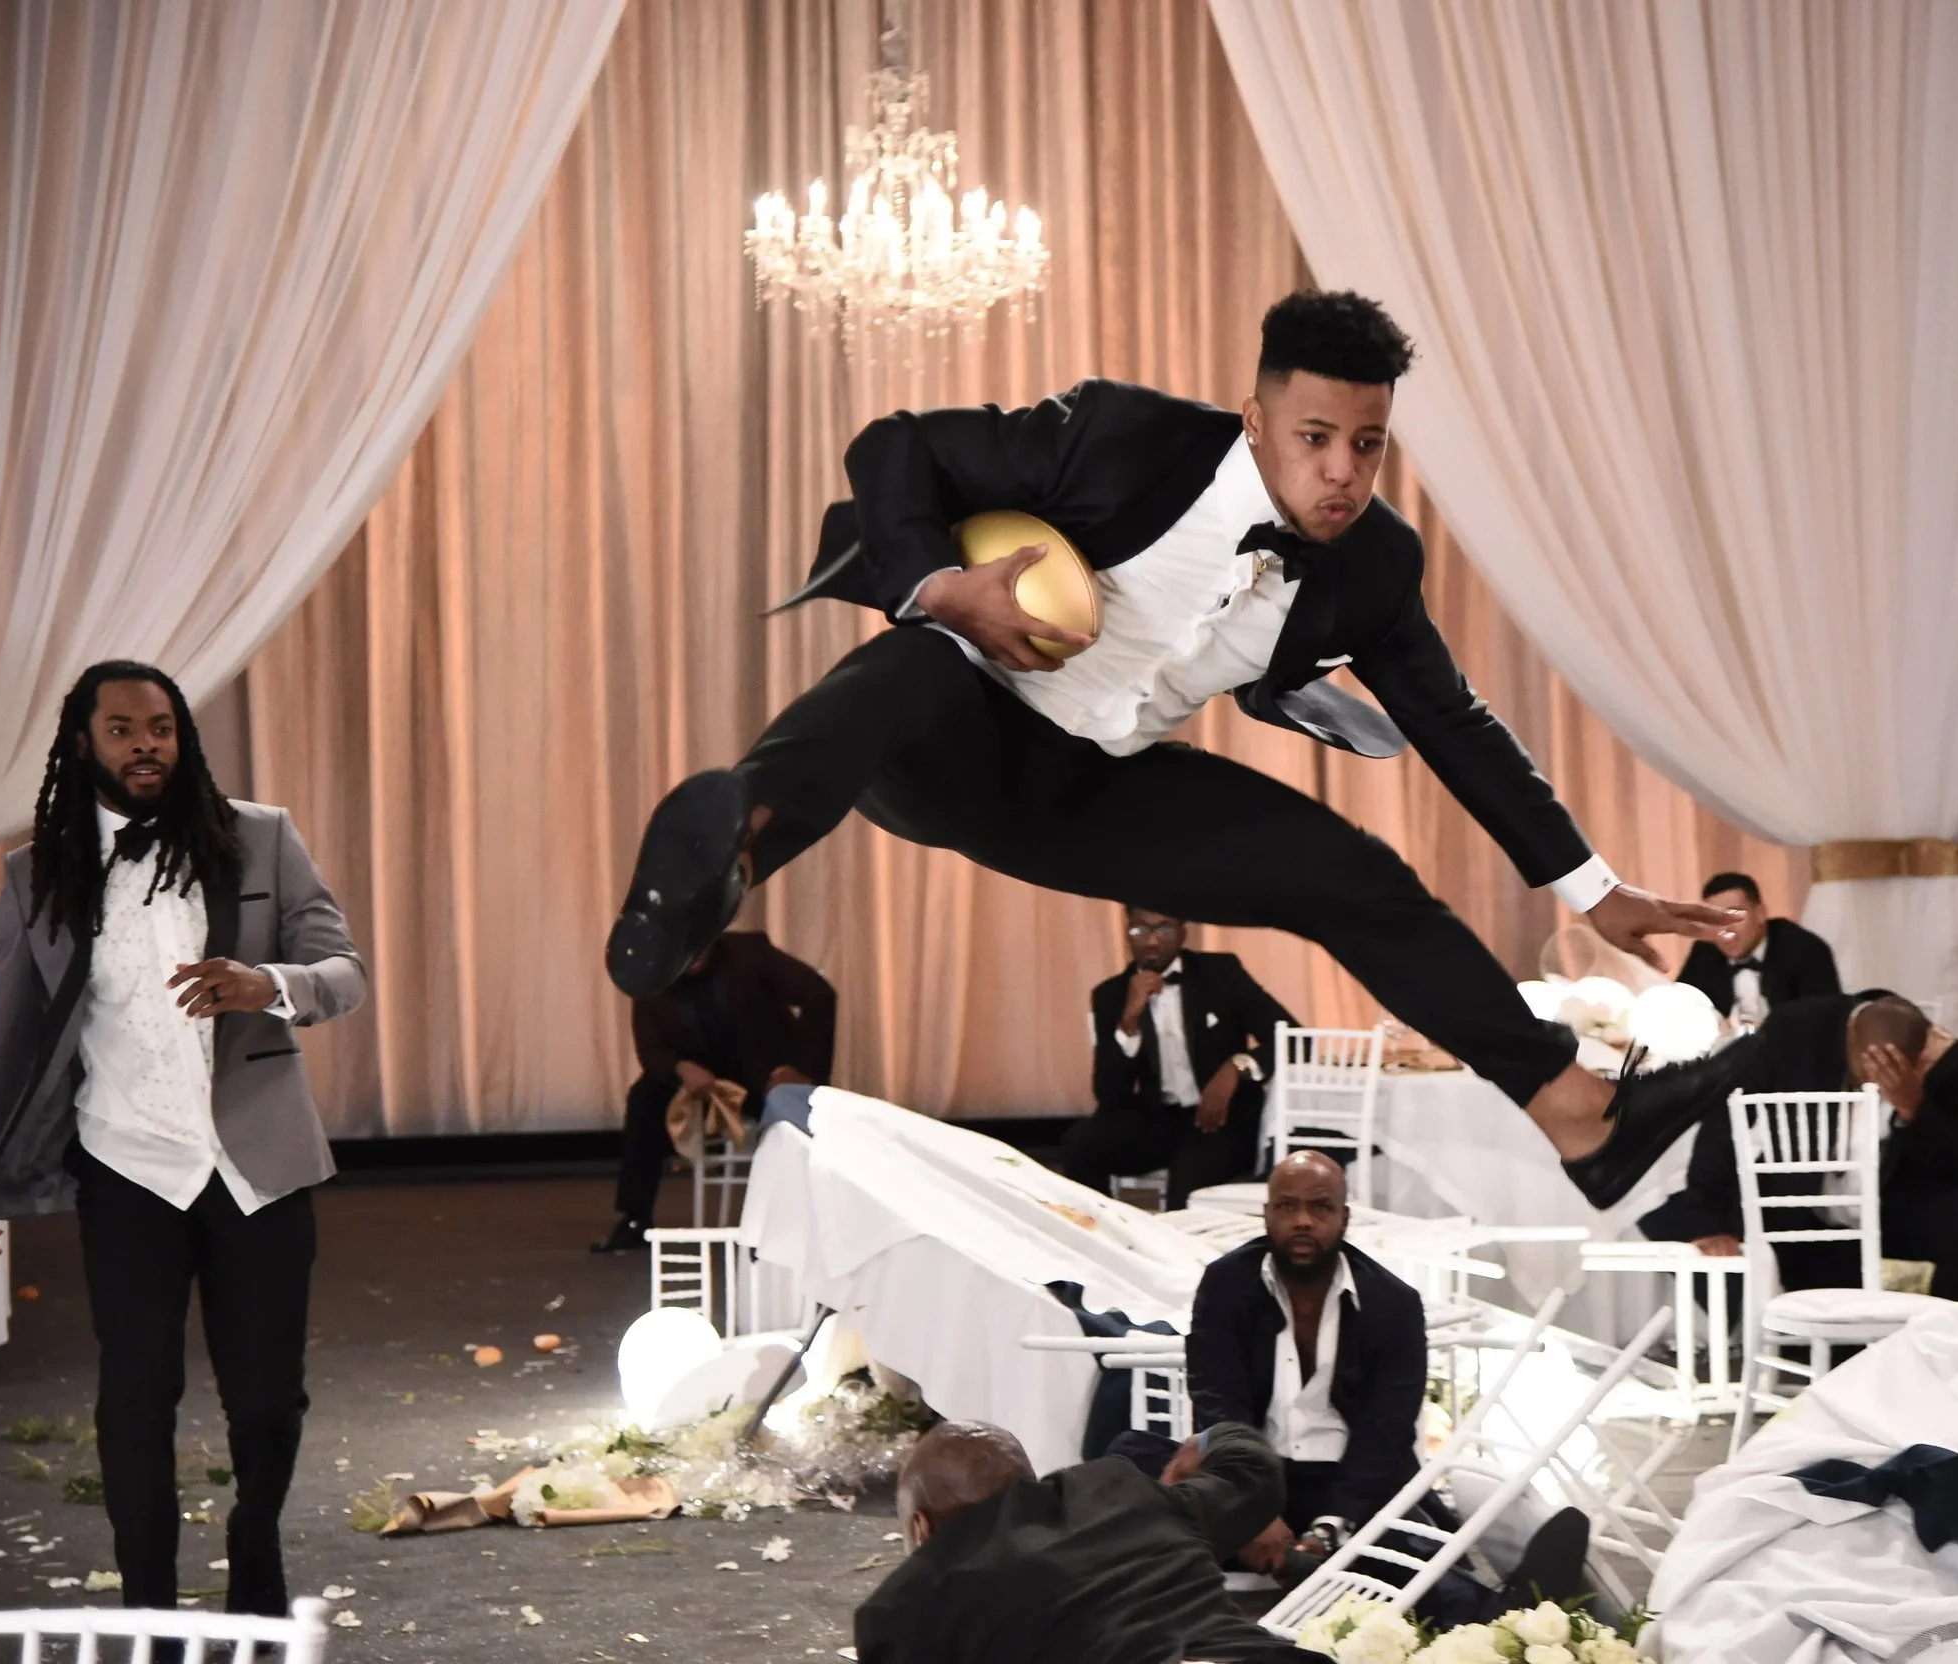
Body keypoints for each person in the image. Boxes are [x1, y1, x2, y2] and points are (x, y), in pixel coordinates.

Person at [604, 289, 1732, 1207]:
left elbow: (1456, 725)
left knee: (1352, 875)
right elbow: (892, 446)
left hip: (1097, 789)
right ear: (1256, 419)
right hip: (950, 734)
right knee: (914, 657)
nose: (1342, 470)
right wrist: (944, 586)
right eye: (1315, 438)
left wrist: (1591, 887)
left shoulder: (1375, 567)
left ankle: (1578, 1116)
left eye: (1368, 445)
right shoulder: (1121, 440)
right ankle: (729, 853)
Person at [0, 661, 368, 1619]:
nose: (148, 746)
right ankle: (148, 1606)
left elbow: (345, 970)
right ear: (84, 741)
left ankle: (254, 1551)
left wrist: (272, 985)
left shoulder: (260, 837)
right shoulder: (35, 871)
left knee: (266, 1398)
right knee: (135, 1398)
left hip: (256, 1167)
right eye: (126, 729)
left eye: (163, 728)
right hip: (126, 1165)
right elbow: (7, 1037)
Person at [853, 1417, 1317, 1664]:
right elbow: (1255, 1468)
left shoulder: (905, 1608)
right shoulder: (1121, 1490)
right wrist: (1206, 1442)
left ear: (921, 1527)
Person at [1638, 993, 1958, 1300]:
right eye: (1866, 1071)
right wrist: (1710, 1219)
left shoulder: (1946, 1061)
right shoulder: (1794, 1029)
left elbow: (1954, 1165)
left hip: (1889, 1200)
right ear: (1850, 1038)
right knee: (1834, 1343)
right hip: (1803, 1204)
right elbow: (1726, 1114)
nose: (1872, 1086)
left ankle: (1936, 1348)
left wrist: (1915, 1109)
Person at [1185, 1152, 1425, 1574]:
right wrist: (1249, 1506)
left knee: (1417, 1564)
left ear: (1344, 1219)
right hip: (1257, 1472)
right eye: (1286, 1206)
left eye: (1320, 1207)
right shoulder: (1227, 1284)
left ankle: (1501, 1607)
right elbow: (1217, 1401)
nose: (1302, 1221)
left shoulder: (1394, 1304)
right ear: (1266, 1215)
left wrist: (1331, 1525)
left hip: (1351, 1480)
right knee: (1135, 1466)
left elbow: (1386, 1430)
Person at [592, 928, 836, 1253]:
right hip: (699, 1080)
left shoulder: (749, 953)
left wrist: (801, 1071)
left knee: (789, 1112)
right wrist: (680, 1068)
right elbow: (651, 1049)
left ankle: (799, 1225)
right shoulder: (652, 975)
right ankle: (635, 1218)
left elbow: (819, 995)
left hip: (760, 1073)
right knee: (645, 1100)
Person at [1061, 906, 1295, 1209]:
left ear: (1184, 931)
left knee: (1185, 1190)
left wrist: (1236, 1067)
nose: (1152, 942)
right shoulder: (1110, 995)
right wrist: (1128, 1024)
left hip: (1220, 1120)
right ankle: (1103, 1232)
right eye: (1140, 930)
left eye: (1165, 929)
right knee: (1078, 1145)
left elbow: (1289, 1036)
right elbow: (1109, 1092)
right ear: (1126, 931)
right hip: (1158, 1120)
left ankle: (1182, 1252)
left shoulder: (1221, 973)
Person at [1674, 872, 1840, 1024]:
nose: (1725, 929)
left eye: (1735, 916)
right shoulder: (1705, 952)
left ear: (1761, 913)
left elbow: (1823, 1024)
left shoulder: (1805, 950)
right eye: (1714, 919)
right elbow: (1678, 1013)